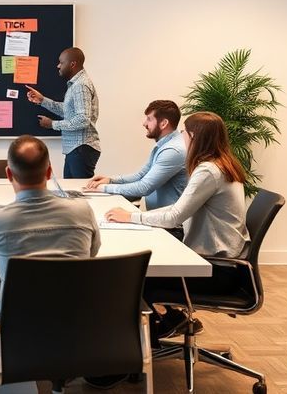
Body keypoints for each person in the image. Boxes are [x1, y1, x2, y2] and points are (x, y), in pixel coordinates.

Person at [0, 135, 100, 393]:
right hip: (79, 329)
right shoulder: (82, 211)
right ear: (50, 172)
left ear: (8, 174)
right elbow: (90, 256)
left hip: (14, 336)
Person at [105, 111, 250, 346]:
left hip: (215, 268)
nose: (181, 139)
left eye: (183, 134)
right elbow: (178, 208)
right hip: (226, 263)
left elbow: (174, 216)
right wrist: (137, 216)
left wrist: (131, 217)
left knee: (134, 277)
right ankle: (164, 326)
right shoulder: (222, 165)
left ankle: (140, 348)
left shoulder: (208, 171)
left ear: (193, 137)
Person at [86, 100, 188, 210]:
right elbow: (141, 175)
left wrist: (103, 188)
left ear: (163, 124)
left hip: (170, 224)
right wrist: (110, 180)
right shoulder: (165, 144)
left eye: (149, 119)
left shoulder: (173, 150)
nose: (144, 123)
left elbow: (144, 187)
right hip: (158, 217)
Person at [25, 47, 100, 179]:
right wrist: (42, 100)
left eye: (61, 62)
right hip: (76, 148)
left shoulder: (80, 86)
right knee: (71, 193)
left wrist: (53, 124)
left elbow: (83, 119)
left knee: (80, 194)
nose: (58, 66)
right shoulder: (75, 84)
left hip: (81, 147)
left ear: (72, 64)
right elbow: (67, 110)